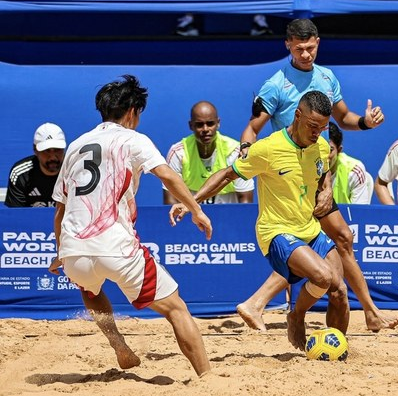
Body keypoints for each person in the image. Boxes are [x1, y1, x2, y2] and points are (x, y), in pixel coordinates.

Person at [237, 18, 398, 333]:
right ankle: (262, 304)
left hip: (319, 172)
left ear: (318, 43)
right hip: (291, 177)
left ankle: (369, 312)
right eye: (299, 48)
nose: (305, 54)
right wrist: (247, 148)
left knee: (342, 239)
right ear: (287, 45)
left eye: (310, 48)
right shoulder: (275, 84)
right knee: (316, 245)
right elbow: (253, 126)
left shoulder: (327, 77)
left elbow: (344, 118)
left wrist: (366, 122)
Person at [47, 75, 212, 377]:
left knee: (91, 290)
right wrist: (197, 210)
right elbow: (169, 177)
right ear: (133, 111)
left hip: (74, 253)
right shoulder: (133, 139)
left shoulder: (75, 146)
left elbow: (60, 211)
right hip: (115, 247)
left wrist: (61, 251)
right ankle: (207, 376)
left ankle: (118, 344)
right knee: (176, 309)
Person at [172, 91, 347, 350]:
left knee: (340, 292)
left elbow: (322, 172)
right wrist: (192, 202)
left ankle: (336, 350)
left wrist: (327, 189)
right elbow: (226, 175)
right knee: (322, 277)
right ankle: (296, 316)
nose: (317, 134)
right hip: (276, 231)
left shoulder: (320, 146)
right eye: (312, 126)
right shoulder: (268, 148)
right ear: (297, 116)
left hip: (309, 228)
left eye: (322, 128)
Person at [164, 101, 254, 205]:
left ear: (218, 123)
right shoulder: (178, 153)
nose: (205, 129)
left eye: (210, 123)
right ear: (191, 125)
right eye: (199, 125)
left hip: (229, 217)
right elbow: (170, 201)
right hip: (191, 218)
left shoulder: (235, 152)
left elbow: (245, 202)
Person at [5, 122, 66, 207]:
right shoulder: (20, 174)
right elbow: (16, 216)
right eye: (47, 151)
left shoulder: (73, 171)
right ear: (35, 150)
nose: (53, 157)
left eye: (57, 150)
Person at [327, 121, 371, 204]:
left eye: (330, 150)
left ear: (339, 150)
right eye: (319, 149)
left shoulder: (354, 171)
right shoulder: (303, 167)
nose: (324, 156)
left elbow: (359, 213)